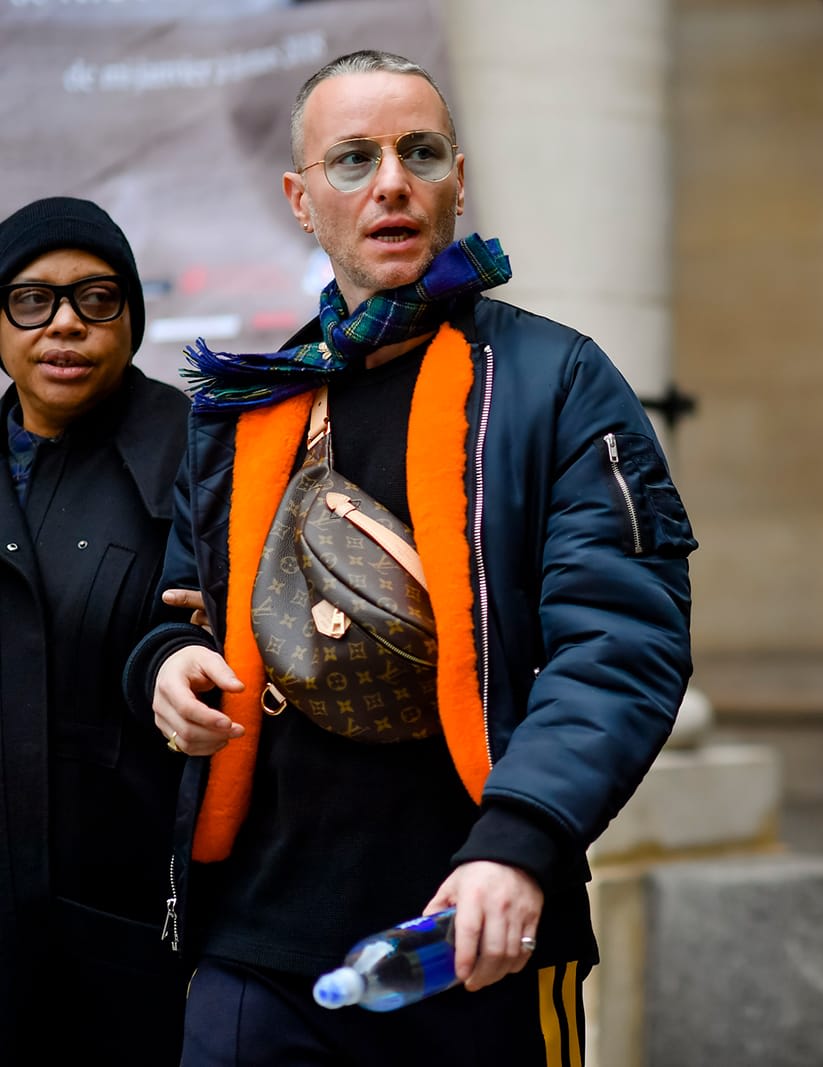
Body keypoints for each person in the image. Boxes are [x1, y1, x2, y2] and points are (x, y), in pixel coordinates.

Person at [123, 50, 695, 1064]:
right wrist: (166, 664)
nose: (390, 181)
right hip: (254, 944)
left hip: (472, 936)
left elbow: (619, 642)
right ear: (303, 200)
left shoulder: (555, 380)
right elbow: (181, 605)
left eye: (418, 152)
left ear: (457, 181)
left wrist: (520, 846)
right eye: (353, 160)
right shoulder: (246, 402)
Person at [0, 197, 191, 1064]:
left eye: (96, 299)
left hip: (126, 931)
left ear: (131, 318)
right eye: (32, 300)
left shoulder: (193, 456)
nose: (65, 324)